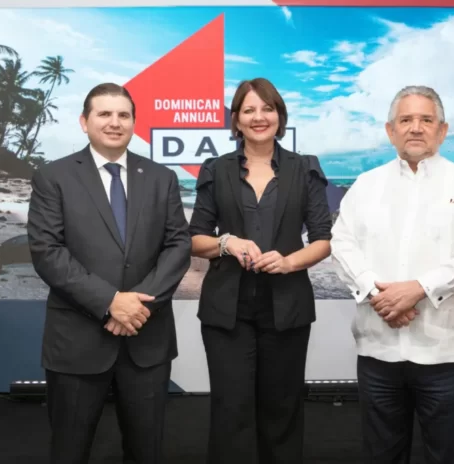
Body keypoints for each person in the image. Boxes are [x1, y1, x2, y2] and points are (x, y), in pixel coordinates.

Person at [330, 85, 454, 464]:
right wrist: (377, 293)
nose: (416, 128)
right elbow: (341, 244)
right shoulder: (366, 185)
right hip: (378, 350)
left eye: (426, 119)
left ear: (443, 130)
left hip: (446, 354)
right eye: (406, 119)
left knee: (449, 455)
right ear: (390, 131)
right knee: (382, 455)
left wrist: (420, 289)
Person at [27, 82, 191, 464]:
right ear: (84, 122)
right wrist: (110, 302)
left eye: (123, 115)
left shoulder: (161, 177)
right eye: (104, 114)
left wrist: (138, 306)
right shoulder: (54, 177)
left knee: (146, 451)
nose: (115, 122)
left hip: (146, 339)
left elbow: (177, 246)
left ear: (133, 122)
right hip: (77, 342)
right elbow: (47, 252)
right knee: (69, 451)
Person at [188, 77, 332, 464]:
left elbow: (323, 239)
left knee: (282, 410)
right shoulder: (216, 169)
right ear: (236, 119)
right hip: (226, 311)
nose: (259, 117)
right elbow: (194, 238)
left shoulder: (304, 168)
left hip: (287, 308)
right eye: (249, 110)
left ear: (279, 116)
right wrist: (226, 243)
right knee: (230, 411)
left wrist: (288, 262)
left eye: (267, 108)